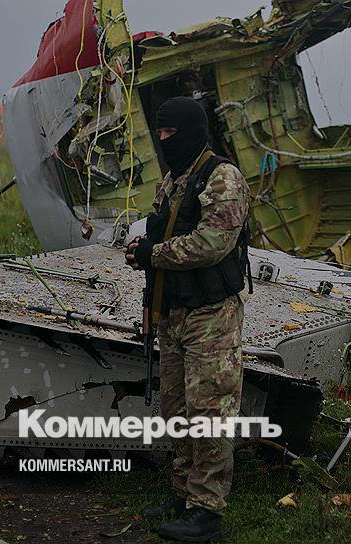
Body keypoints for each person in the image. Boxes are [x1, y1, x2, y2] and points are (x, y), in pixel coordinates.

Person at [125, 96, 251, 542]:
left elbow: (212, 243)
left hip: (211, 316)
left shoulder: (223, 178)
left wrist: (153, 253)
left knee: (209, 411)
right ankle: (182, 495)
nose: (163, 141)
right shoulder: (174, 181)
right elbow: (161, 233)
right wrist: (143, 260)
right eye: (159, 133)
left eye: (170, 134)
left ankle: (206, 509)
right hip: (174, 314)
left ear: (191, 132)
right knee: (176, 409)